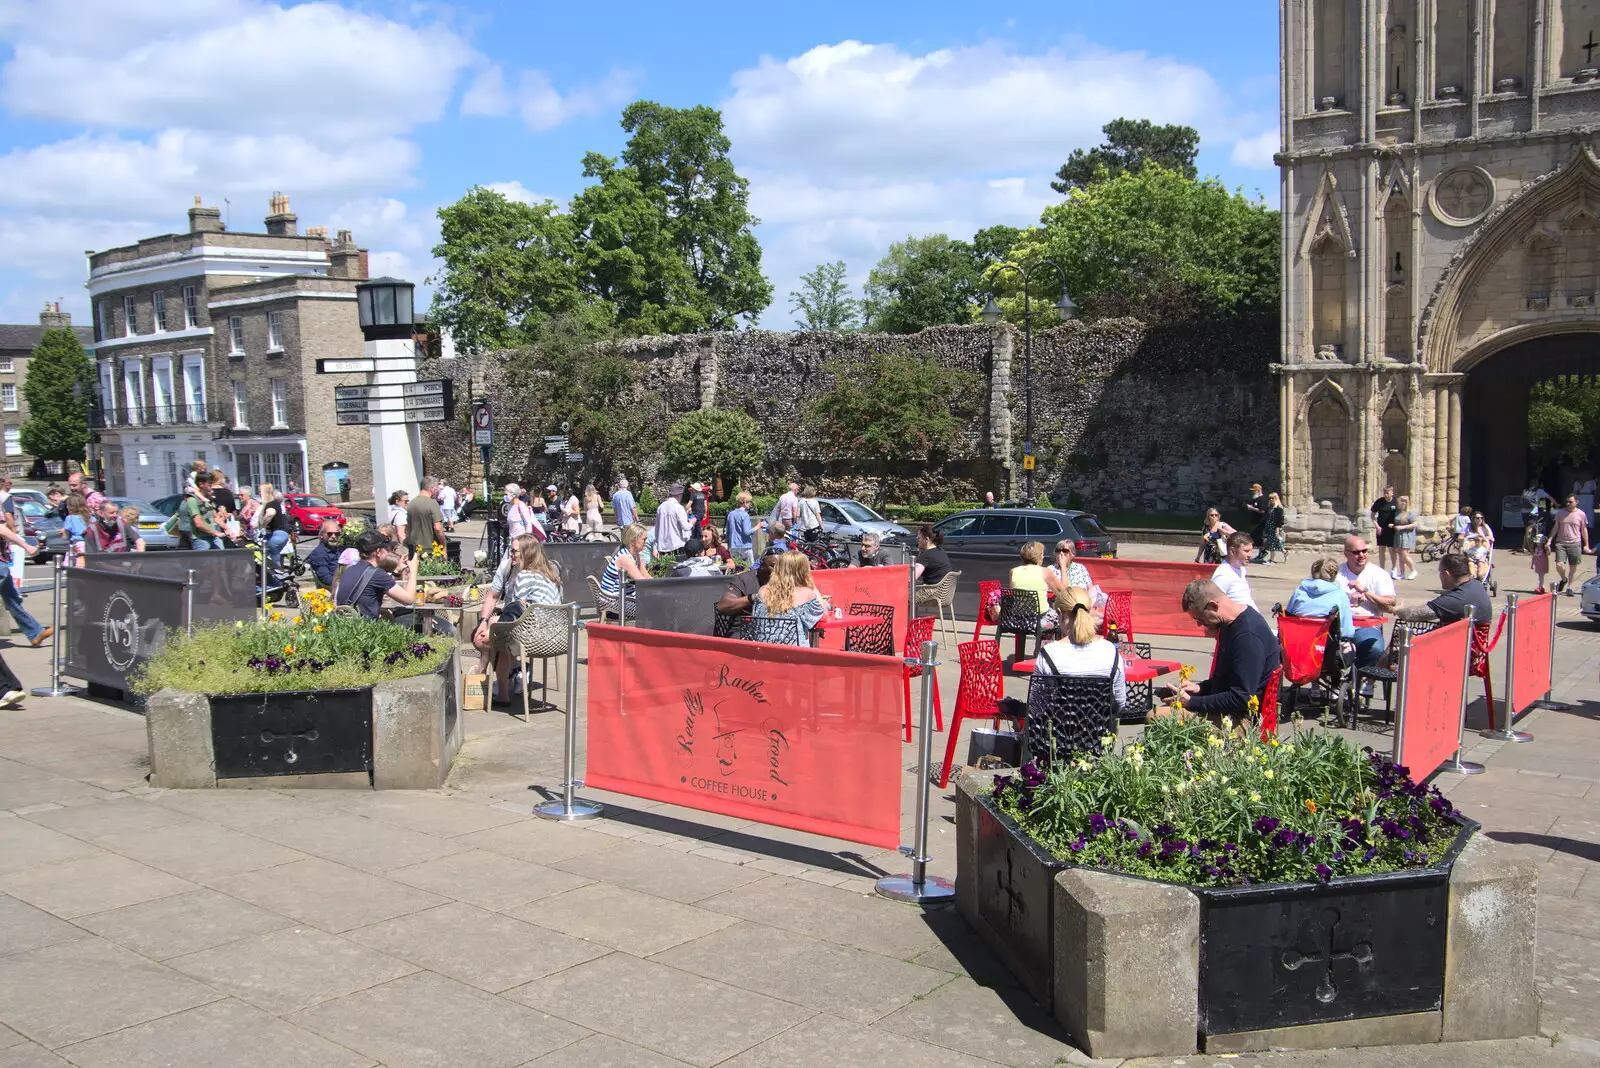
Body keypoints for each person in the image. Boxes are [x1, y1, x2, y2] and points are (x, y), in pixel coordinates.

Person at [1165, 578, 1279, 719]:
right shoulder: (1232, 624)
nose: (1200, 625)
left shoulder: (1247, 636)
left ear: (1213, 606)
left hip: (1240, 719)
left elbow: (1240, 698)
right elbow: (1229, 678)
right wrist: (1200, 688)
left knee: (1156, 716)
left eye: (1199, 619)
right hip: (1230, 710)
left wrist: (1191, 702)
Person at [482, 538, 564, 706]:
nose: (510, 554)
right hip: (556, 638)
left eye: (514, 551)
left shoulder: (524, 575)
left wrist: (492, 631)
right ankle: (517, 671)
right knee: (496, 628)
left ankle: (503, 692)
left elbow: (517, 610)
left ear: (526, 553)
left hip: (534, 638)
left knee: (497, 631)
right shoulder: (548, 576)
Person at [1033, 587, 1127, 714]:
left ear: (1059, 614)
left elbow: (1037, 705)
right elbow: (1120, 701)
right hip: (1102, 732)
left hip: (1059, 730)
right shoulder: (1110, 650)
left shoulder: (1049, 652)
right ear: (1089, 610)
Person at [1337, 536, 1396, 668]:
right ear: (1346, 553)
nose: (1362, 555)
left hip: (1367, 626)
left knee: (1374, 649)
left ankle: (1365, 683)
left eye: (1364, 551)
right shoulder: (1337, 574)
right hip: (1340, 625)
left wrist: (1365, 592)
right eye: (1356, 552)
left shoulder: (1379, 574)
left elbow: (1390, 604)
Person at [334, 532, 420, 620]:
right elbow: (409, 600)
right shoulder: (377, 574)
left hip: (348, 626)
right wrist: (413, 570)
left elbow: (373, 585)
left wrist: (396, 571)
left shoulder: (350, 570)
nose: (388, 553)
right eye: (387, 550)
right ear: (378, 552)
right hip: (365, 629)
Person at [1394, 553, 1493, 627]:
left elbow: (1413, 614)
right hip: (1474, 643)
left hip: (1454, 646)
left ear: (1446, 574)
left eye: (1440, 572)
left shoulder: (1454, 599)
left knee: (1402, 633)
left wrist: (1396, 610)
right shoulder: (1477, 585)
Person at [752, 551, 826, 646]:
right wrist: (811, 584)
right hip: (795, 655)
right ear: (803, 571)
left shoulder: (763, 591)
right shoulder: (806, 593)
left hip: (763, 652)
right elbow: (823, 616)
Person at [1284, 556, 1353, 637]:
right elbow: (1347, 631)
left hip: (1298, 639)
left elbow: (1287, 617)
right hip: (1325, 644)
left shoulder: (1300, 591)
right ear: (1334, 575)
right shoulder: (1340, 595)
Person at [599, 523, 651, 608]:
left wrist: (661, 585)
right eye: (644, 539)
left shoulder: (635, 555)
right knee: (656, 605)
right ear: (633, 541)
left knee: (657, 602)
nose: (646, 542)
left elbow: (647, 577)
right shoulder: (625, 558)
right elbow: (643, 582)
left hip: (625, 598)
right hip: (613, 603)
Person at [1211, 531, 1258, 611]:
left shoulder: (1241, 569)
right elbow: (1212, 605)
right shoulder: (1223, 575)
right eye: (1246, 551)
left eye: (1251, 550)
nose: (1250, 555)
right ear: (1232, 551)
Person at [1009, 541, 1057, 620]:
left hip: (1019, 620)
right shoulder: (1045, 572)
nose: (1043, 557)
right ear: (1039, 556)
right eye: (1042, 554)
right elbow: (1062, 593)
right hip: (1040, 619)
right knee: (1062, 618)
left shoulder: (1013, 571)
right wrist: (1063, 566)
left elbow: (1013, 594)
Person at [1552, 494, 1588, 593]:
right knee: (1559, 565)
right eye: (1567, 502)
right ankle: (1564, 579)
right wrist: (1550, 539)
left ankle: (1570, 587)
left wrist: (1587, 544)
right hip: (1561, 543)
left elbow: (1584, 529)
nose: (1568, 504)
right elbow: (1556, 527)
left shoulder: (1581, 514)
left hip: (1575, 543)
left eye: (1570, 502)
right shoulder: (1560, 513)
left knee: (1573, 567)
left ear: (1576, 502)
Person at [405, 477, 446, 556]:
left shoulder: (411, 503)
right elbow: (438, 528)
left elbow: (408, 527)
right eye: (437, 488)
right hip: (430, 549)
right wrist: (443, 544)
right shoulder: (432, 503)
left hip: (414, 548)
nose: (437, 491)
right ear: (432, 488)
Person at [175, 479, 221, 550]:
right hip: (193, 533)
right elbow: (198, 523)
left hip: (188, 532)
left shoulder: (186, 501)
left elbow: (215, 518)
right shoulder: (192, 500)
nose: (212, 493)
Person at [257, 484, 293, 568]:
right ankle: (277, 574)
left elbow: (270, 514)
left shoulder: (270, 504)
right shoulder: (275, 503)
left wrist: (262, 524)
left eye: (259, 491)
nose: (258, 493)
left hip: (277, 534)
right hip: (282, 534)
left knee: (266, 558)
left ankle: (274, 576)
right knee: (275, 558)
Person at [653, 483, 692, 557]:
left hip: (662, 546)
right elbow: (685, 527)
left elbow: (657, 528)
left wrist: (656, 544)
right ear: (679, 495)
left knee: (666, 567)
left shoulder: (661, 507)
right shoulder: (678, 507)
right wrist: (692, 523)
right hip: (676, 544)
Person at [306, 520, 343, 588]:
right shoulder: (318, 554)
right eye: (329, 534)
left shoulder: (338, 550)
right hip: (336, 589)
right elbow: (326, 579)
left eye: (337, 534)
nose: (333, 536)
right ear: (321, 535)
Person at [1371, 485, 1399, 575]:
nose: (1386, 494)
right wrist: (1377, 526)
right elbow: (1372, 515)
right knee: (1381, 549)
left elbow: (1401, 514)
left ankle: (1394, 568)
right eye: (1385, 493)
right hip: (1381, 529)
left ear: (1392, 492)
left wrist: (1396, 525)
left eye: (1388, 492)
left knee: (1392, 549)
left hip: (1392, 529)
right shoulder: (1379, 502)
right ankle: (1382, 568)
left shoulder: (1396, 502)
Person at [726, 492, 760, 565]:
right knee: (750, 568)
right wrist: (758, 526)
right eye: (749, 502)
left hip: (733, 546)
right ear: (744, 502)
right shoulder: (745, 515)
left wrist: (728, 544)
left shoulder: (730, 514)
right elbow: (746, 532)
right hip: (745, 546)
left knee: (737, 567)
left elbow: (728, 532)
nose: (750, 504)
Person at [1465, 511, 1497, 584]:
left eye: (1481, 518)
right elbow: (1465, 536)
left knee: (1481, 564)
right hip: (1471, 545)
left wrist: (1485, 538)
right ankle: (1472, 575)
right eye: (1477, 518)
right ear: (1473, 519)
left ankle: (1480, 575)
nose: (1479, 520)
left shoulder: (1484, 527)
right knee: (1470, 563)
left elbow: (1491, 536)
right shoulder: (1469, 526)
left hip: (1482, 545)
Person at [1391, 495, 1419, 580]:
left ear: (1404, 503)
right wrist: (1393, 525)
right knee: (1400, 554)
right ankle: (1402, 573)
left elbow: (1415, 524)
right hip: (1398, 535)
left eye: (1398, 502)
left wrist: (1403, 527)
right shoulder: (1398, 512)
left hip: (1406, 535)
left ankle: (1413, 570)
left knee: (1404, 554)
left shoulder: (1410, 512)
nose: (1397, 504)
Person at [62, 493, 89, 565]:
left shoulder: (70, 518)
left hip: (76, 545)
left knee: (68, 565)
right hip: (89, 545)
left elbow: (65, 537)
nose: (67, 507)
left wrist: (63, 532)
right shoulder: (91, 518)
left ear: (71, 507)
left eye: (67, 505)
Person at [1244, 482, 1268, 562]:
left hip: (1260, 522)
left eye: (1254, 491)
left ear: (1258, 490)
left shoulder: (1262, 499)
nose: (1252, 492)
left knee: (1259, 538)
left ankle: (1262, 552)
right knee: (1255, 538)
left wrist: (1251, 508)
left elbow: (1262, 510)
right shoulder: (1256, 499)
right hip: (1255, 521)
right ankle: (1260, 553)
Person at [1262, 492, 1287, 564]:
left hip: (1275, 528)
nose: (1271, 499)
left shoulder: (1278, 508)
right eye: (1270, 498)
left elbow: (1279, 520)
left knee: (1273, 544)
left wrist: (1277, 529)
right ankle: (1285, 552)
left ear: (1276, 499)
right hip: (1269, 527)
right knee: (1277, 544)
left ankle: (1271, 560)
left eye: (1272, 498)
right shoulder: (1269, 508)